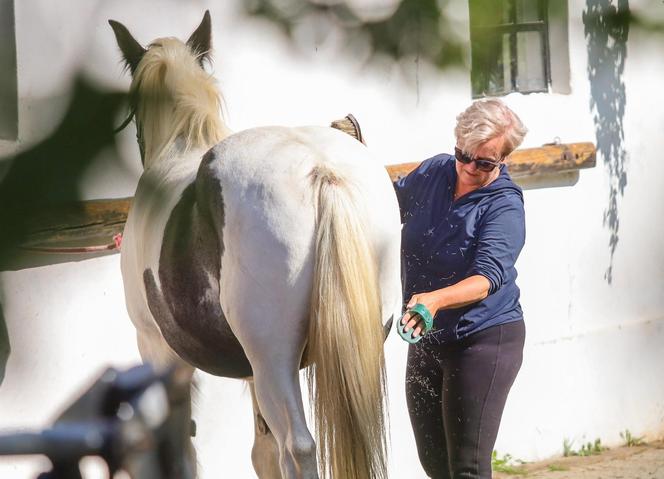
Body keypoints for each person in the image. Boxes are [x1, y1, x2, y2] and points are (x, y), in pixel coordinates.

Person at [394, 98, 528, 478]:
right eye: (464, 155)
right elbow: (387, 206)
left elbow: (487, 278)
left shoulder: (504, 205)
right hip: (428, 334)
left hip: (482, 341)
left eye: (484, 163)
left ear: (504, 160)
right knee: (435, 464)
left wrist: (435, 300)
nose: (469, 168)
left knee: (466, 469)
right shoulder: (436, 171)